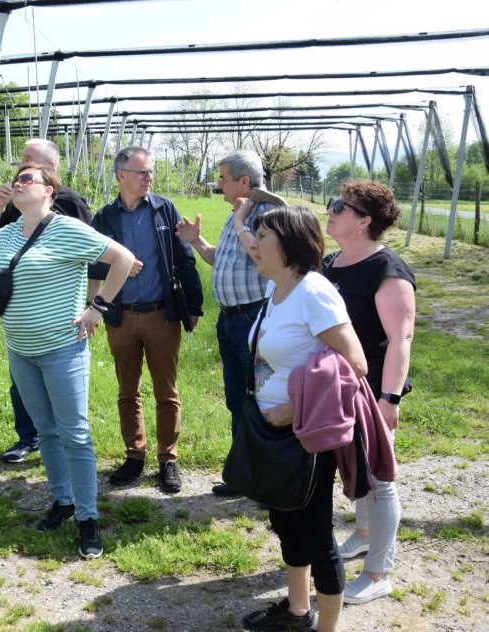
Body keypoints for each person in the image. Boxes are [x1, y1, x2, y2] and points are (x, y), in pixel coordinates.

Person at [0, 164, 135, 559]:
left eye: (28, 179)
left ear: (49, 190)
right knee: (46, 431)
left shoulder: (67, 229)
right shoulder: (10, 233)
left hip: (63, 348)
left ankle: (88, 517)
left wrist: (97, 308)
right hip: (20, 349)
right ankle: (62, 502)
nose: (19, 183)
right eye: (17, 178)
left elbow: (123, 259)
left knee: (75, 434)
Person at [240, 205, 367, 632]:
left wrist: (297, 406)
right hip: (271, 432)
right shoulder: (278, 290)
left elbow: (355, 365)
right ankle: (297, 609)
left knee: (315, 533)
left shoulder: (314, 291)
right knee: (284, 520)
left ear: (290, 243)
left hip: (305, 434)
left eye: (262, 236)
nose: (252, 244)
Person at [88, 147, 203, 492]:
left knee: (166, 392)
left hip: (160, 315)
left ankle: (168, 460)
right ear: (121, 175)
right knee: (128, 391)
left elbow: (184, 258)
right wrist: (95, 305)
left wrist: (193, 307)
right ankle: (134, 456)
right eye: (142, 172)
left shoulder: (165, 208)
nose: (148, 178)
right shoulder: (105, 217)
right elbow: (95, 264)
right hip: (120, 317)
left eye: (151, 172)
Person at [323, 181, 415, 605]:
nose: (331, 209)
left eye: (340, 206)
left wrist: (389, 399)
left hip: (373, 390)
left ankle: (379, 570)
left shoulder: (387, 270)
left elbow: (401, 339)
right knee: (354, 468)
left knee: (378, 478)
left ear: (363, 221)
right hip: (337, 386)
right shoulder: (332, 262)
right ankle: (362, 534)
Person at [175, 151, 282, 497]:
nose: (218, 183)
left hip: (255, 321)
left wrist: (240, 226)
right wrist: (196, 242)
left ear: (244, 182)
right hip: (231, 321)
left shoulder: (267, 215)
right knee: (238, 399)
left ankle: (270, 480)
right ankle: (245, 475)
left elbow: (262, 258)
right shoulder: (240, 213)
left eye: (223, 178)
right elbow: (221, 258)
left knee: (262, 401)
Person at [0, 139, 93, 464]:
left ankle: (65, 445)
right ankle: (30, 437)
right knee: (22, 383)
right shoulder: (16, 204)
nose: (19, 167)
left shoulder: (70, 203)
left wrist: (93, 305)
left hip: (61, 320)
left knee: (64, 397)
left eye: (28, 161)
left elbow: (95, 257)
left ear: (51, 169)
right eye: (21, 161)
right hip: (22, 315)